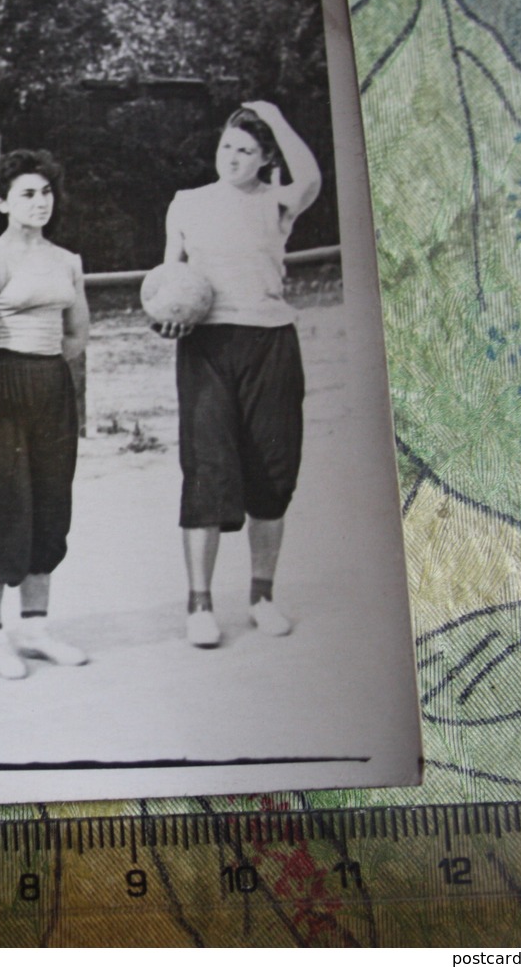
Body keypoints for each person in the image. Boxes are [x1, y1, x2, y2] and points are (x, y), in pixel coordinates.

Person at [157, 101, 322, 648]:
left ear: (265, 157)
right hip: (207, 345)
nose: (233, 157)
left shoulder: (277, 203)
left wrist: (275, 116)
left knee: (272, 473)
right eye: (227, 146)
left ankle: (261, 596)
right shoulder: (186, 203)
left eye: (247, 150)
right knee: (207, 470)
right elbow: (169, 278)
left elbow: (313, 176)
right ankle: (200, 604)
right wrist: (167, 318)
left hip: (270, 342)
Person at [0, 150, 90, 680]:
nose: (40, 201)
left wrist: (44, 373)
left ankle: (35, 628)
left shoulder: (67, 260)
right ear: (2, 201)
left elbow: (76, 334)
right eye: (27, 193)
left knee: (50, 504)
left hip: (50, 388)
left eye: (46, 191)